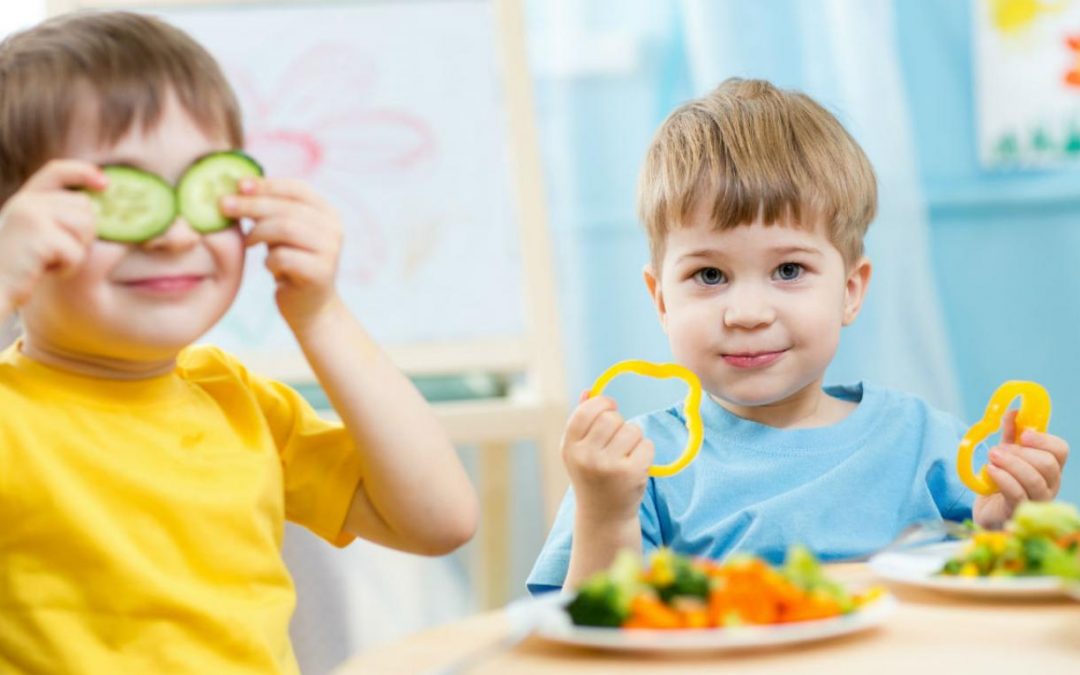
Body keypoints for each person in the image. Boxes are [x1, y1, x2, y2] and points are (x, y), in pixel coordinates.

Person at [0, 11, 478, 672]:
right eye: (115, 198)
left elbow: (440, 519)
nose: (172, 235)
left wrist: (321, 313)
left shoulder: (236, 400)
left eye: (202, 185)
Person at [527, 78, 1069, 594]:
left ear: (850, 291)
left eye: (788, 270)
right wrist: (604, 513)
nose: (747, 313)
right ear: (662, 300)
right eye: (709, 276)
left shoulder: (928, 445)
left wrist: (1009, 528)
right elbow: (583, 640)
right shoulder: (633, 471)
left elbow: (1000, 611)